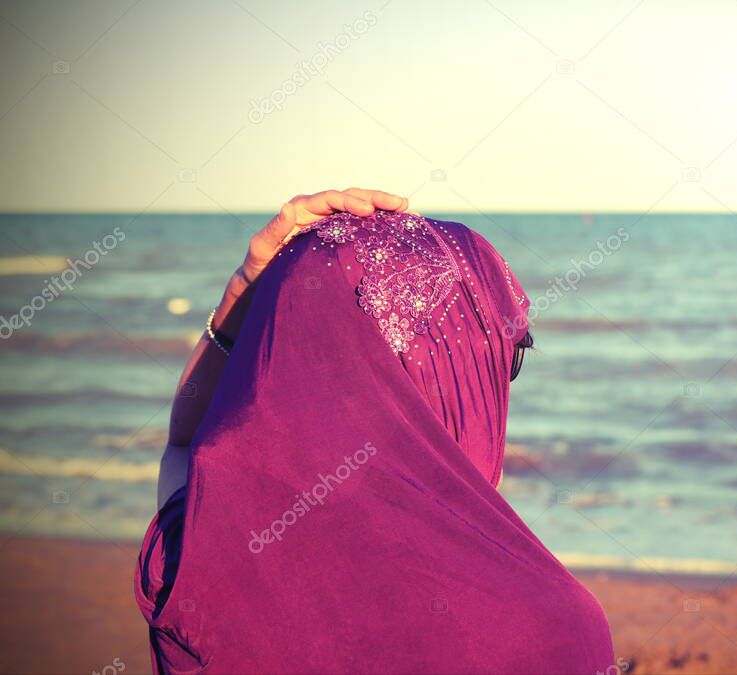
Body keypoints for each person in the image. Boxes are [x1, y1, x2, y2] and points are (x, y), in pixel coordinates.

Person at [135, 189, 615, 674]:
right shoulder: (556, 628)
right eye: (498, 364)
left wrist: (246, 287)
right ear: (469, 384)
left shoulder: (202, 566)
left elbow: (185, 445)